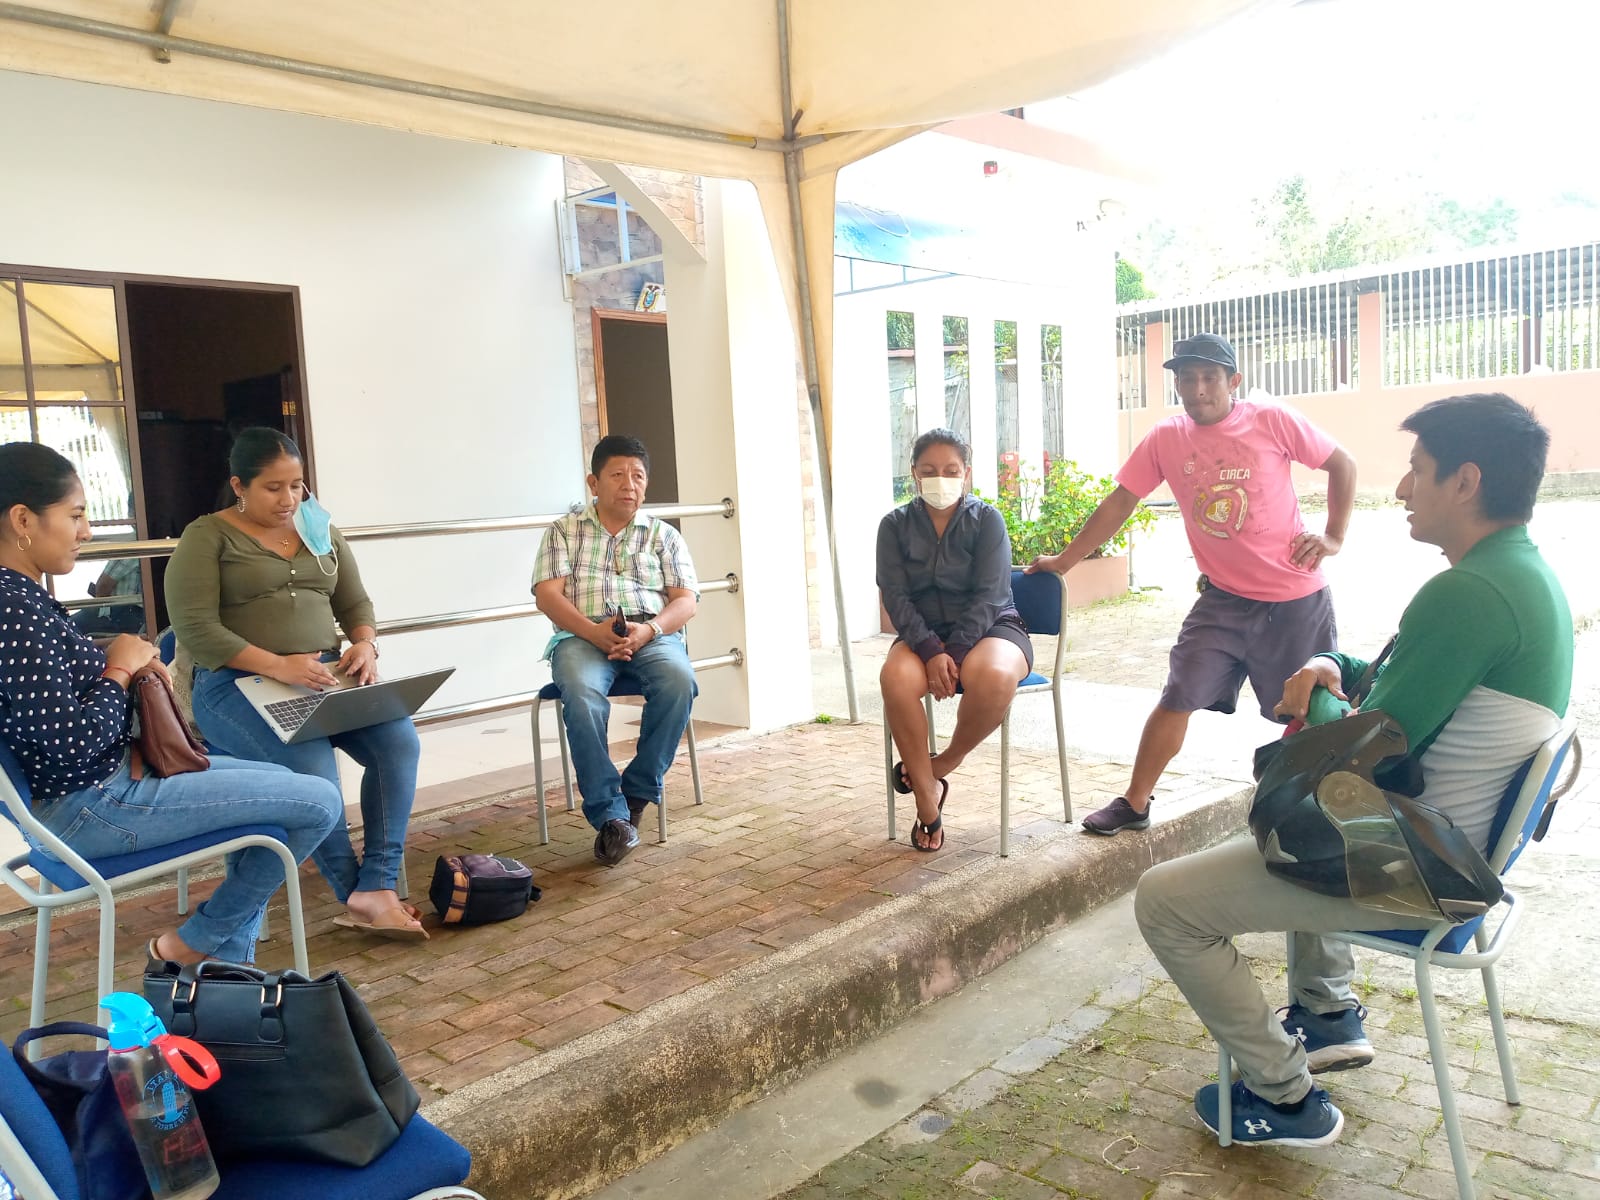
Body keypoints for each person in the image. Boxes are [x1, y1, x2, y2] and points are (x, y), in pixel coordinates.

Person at [1135, 392, 1572, 1147]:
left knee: (1166, 902)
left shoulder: (1469, 593)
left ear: (1466, 481)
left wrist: (1315, 696)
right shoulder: (1520, 575)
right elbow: (1402, 685)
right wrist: (1331, 663)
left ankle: (1284, 1097)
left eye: (1418, 470)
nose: (1402, 488)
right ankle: (1326, 1013)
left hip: (1410, 868)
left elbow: (1364, 752)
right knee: (1300, 818)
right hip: (1448, 851)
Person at [0, 441, 343, 965]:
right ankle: (195, 947)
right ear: (24, 519)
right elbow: (70, 744)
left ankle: (222, 963)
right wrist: (119, 669)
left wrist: (121, 655)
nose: (86, 531)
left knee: (282, 796)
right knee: (318, 802)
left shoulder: (18, 598)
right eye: (75, 515)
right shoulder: (15, 610)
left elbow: (49, 689)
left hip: (97, 790)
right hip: (94, 806)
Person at [1028, 332, 1356, 835]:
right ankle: (1135, 802)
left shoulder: (1270, 419)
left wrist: (1334, 536)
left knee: (1310, 712)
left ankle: (1323, 813)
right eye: (1186, 378)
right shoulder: (1167, 438)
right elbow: (1121, 501)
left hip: (1295, 601)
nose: (1198, 388)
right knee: (1178, 694)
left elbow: (1341, 463)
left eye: (1209, 377)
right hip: (1222, 600)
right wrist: (1066, 561)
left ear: (1233, 381)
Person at [164, 428, 427, 940]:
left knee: (399, 743)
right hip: (235, 685)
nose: (289, 499)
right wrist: (277, 665)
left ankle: (377, 883)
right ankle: (360, 895)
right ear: (239, 485)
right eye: (273, 488)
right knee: (315, 777)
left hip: (324, 676)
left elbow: (355, 602)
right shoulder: (207, 536)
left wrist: (364, 644)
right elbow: (194, 627)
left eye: (296, 485)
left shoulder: (317, 526)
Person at [532, 434, 699, 867]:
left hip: (650, 633)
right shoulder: (563, 531)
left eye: (638, 476)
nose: (630, 484)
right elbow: (547, 595)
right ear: (594, 482)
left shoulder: (664, 535)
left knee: (679, 681)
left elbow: (686, 601)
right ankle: (611, 815)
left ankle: (636, 793)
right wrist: (592, 631)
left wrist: (650, 630)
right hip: (581, 636)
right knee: (581, 694)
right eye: (618, 475)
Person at [878, 428, 1032, 852]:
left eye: (950, 470)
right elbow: (895, 596)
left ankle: (940, 765)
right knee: (894, 678)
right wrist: (931, 651)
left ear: (966, 473)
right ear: (913, 473)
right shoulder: (894, 526)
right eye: (929, 470)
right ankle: (927, 800)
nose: (940, 479)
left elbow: (991, 594)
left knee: (995, 675)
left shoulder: (988, 521)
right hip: (921, 633)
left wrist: (957, 652)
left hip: (992, 627)